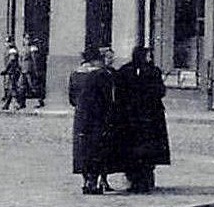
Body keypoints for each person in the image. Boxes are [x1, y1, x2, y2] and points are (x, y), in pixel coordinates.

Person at [115, 46, 171, 194]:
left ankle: (144, 180)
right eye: (147, 56)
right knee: (135, 151)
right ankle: (135, 179)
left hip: (146, 119)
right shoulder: (126, 71)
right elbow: (120, 93)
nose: (150, 59)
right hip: (134, 119)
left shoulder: (152, 71)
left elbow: (160, 91)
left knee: (146, 151)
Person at [68, 45, 118, 195]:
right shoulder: (102, 75)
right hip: (98, 117)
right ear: (98, 59)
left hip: (81, 117)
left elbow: (71, 99)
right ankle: (94, 182)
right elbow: (109, 99)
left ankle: (85, 181)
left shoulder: (75, 74)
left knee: (82, 148)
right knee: (98, 148)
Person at [0, 41, 26, 110]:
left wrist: (5, 71)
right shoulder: (13, 50)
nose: (6, 44)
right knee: (12, 89)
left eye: (8, 42)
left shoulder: (12, 51)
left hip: (13, 72)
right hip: (14, 72)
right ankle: (8, 104)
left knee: (13, 88)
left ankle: (18, 103)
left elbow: (11, 62)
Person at [24, 38, 47, 108]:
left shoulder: (33, 49)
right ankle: (22, 103)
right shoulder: (28, 48)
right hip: (26, 70)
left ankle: (40, 101)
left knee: (33, 86)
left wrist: (36, 71)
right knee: (24, 86)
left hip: (30, 70)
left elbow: (34, 61)